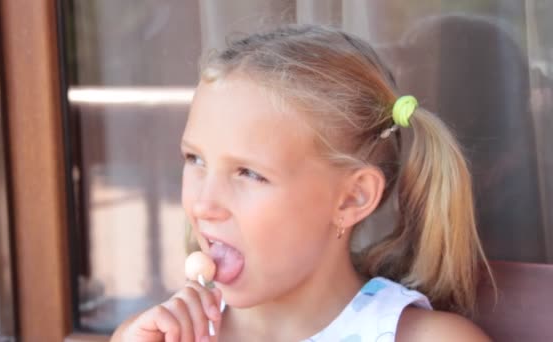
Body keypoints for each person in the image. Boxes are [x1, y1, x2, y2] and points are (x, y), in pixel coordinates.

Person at [111, 25, 493, 342]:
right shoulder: (154, 336)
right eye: (195, 159)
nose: (203, 204)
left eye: (249, 173)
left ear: (351, 198)